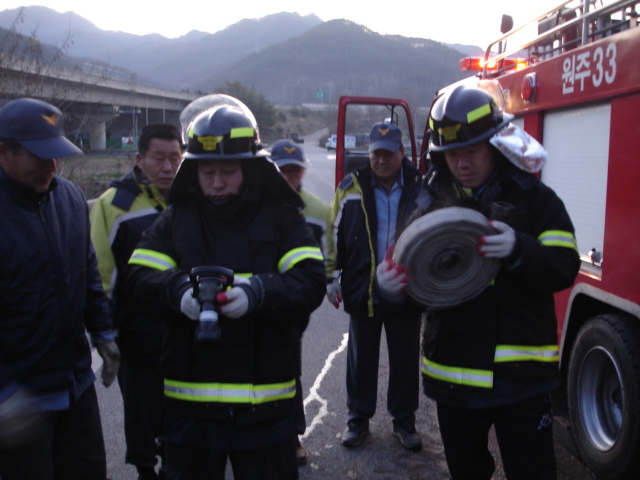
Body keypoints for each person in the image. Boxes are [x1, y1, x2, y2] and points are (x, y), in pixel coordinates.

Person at [377, 85, 581, 479]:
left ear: (496, 145)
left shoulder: (536, 200)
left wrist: (520, 248)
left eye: (472, 150)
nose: (462, 163)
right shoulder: (428, 205)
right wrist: (391, 289)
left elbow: (564, 266)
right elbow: (417, 291)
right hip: (454, 380)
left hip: (523, 380)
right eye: (452, 154)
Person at [126, 102, 326, 480]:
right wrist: (179, 292)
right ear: (194, 170)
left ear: (250, 168)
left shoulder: (282, 217)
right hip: (190, 411)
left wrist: (258, 292)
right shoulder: (175, 219)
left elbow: (310, 280)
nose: (217, 183)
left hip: (266, 410)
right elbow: (138, 277)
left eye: (228, 172)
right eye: (207, 172)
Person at [0, 97, 120, 479]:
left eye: (57, 155)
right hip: (19, 400)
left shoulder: (69, 198)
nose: (51, 166)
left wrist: (102, 332)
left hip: (74, 383)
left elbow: (86, 271)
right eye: (39, 156)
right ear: (3, 152)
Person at [325, 122, 427, 450]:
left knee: (405, 359)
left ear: (402, 152)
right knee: (361, 360)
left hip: (405, 289)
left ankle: (404, 421)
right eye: (376, 154)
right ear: (368, 154)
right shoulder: (351, 186)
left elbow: (434, 233)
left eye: (388, 154)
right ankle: (358, 420)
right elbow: (333, 231)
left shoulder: (420, 186)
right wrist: (331, 277)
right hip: (363, 287)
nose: (381, 160)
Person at [90, 123, 183, 479]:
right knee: (141, 413)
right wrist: (105, 332)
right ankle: (146, 469)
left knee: (182, 411)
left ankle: (175, 462)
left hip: (183, 330)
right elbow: (101, 274)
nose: (167, 167)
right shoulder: (113, 205)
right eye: (158, 158)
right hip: (137, 335)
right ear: (139, 159)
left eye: (175, 158)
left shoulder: (191, 198)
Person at [269, 139, 330, 465]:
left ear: (303, 172)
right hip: (256, 298)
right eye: (281, 171)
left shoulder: (317, 211)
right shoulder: (255, 205)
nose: (288, 178)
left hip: (294, 305)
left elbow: (325, 261)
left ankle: (291, 434)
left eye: (293, 171)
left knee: (287, 366)